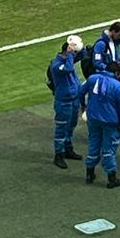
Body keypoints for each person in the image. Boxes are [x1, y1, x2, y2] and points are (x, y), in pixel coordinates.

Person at [83, 66, 120, 188]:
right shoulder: (118, 86)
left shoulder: (92, 78)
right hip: (110, 122)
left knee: (93, 144)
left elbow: (80, 92)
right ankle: (111, 178)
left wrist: (84, 108)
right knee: (109, 149)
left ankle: (89, 174)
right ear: (116, 72)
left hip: (93, 119)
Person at [49, 36, 84, 169]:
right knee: (61, 128)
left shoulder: (67, 60)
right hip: (63, 101)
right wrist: (70, 54)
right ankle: (58, 154)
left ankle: (68, 148)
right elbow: (69, 68)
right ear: (66, 51)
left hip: (73, 99)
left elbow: (82, 56)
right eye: (71, 52)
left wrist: (80, 48)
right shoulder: (56, 65)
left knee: (71, 125)